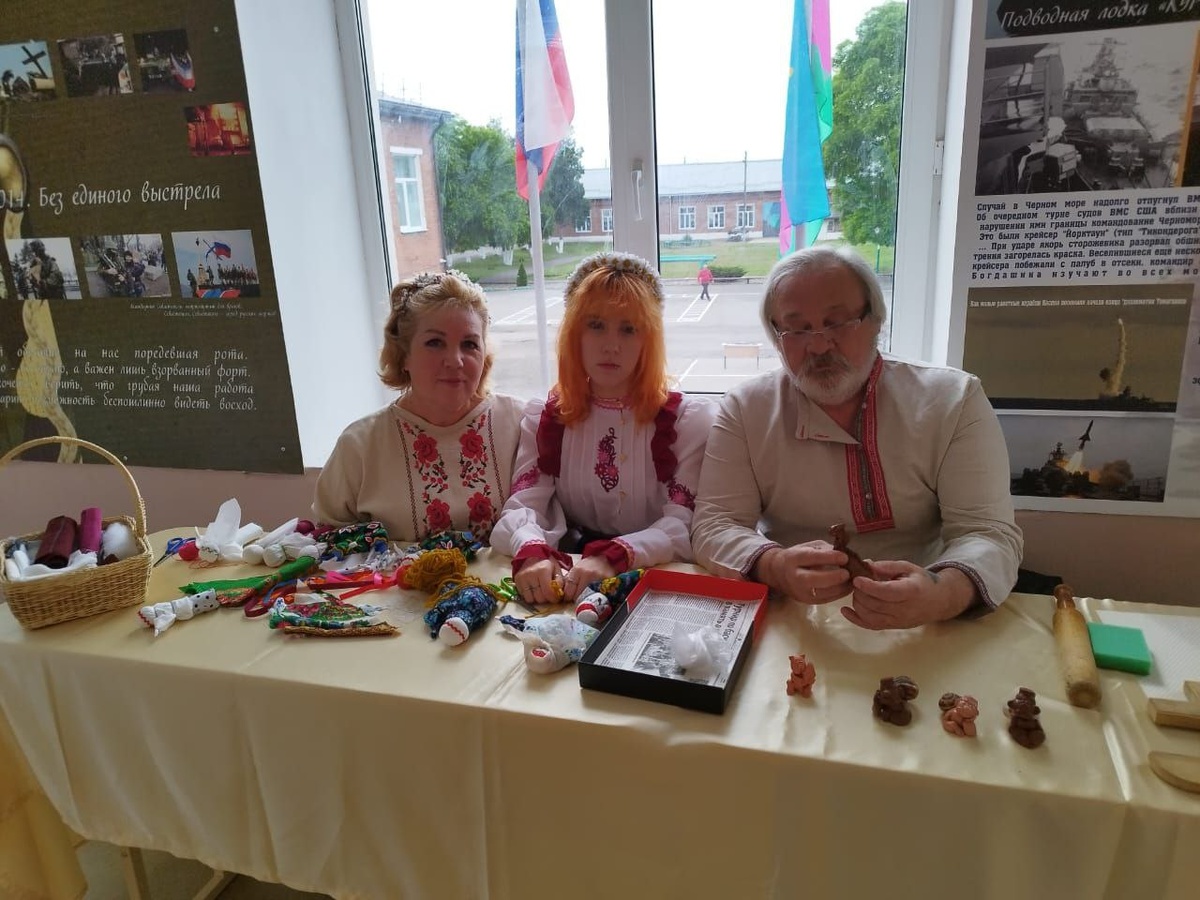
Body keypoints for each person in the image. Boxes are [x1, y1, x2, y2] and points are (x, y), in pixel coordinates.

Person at [690, 246, 1022, 630]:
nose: (818, 345)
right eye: (797, 329)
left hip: (928, 618)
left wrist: (943, 593)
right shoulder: (746, 409)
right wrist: (773, 565)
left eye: (838, 323)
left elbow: (989, 534)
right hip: (796, 619)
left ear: (876, 320)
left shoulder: (953, 400)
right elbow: (715, 524)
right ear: (777, 337)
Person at [490, 252, 714, 611]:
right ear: (574, 334)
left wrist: (617, 555)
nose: (611, 345)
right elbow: (525, 504)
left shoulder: (686, 420)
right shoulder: (548, 416)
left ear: (648, 339)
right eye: (595, 325)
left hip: (658, 582)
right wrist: (531, 551)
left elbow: (683, 524)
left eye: (628, 329)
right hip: (573, 578)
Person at [312, 270, 523, 543]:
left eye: (469, 344)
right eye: (435, 343)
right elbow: (329, 542)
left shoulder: (520, 424)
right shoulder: (359, 445)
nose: (455, 360)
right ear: (404, 356)